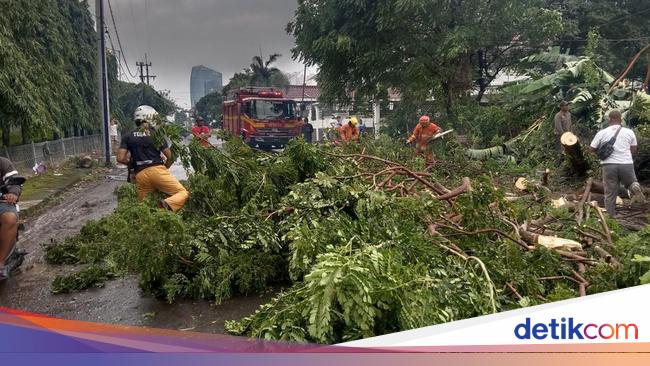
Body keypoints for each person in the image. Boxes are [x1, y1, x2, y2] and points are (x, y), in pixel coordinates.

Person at [117, 105, 189, 212]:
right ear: (150, 118)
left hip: (140, 175)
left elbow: (120, 158)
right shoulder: (156, 135)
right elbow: (170, 156)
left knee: (145, 208)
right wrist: (165, 167)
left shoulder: (128, 136)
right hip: (157, 170)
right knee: (182, 193)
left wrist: (132, 164)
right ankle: (166, 204)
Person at [589, 109, 645, 217]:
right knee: (630, 182)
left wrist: (602, 153)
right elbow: (633, 149)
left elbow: (591, 149)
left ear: (609, 119)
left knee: (610, 192)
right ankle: (634, 187)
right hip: (626, 164)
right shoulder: (629, 132)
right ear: (621, 119)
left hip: (608, 165)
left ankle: (611, 217)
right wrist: (625, 156)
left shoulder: (602, 133)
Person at [0, 157, 21, 281]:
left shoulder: (3, 163)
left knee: (10, 218)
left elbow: (15, 183)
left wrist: (12, 194)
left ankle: (0, 263)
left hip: (2, 203)